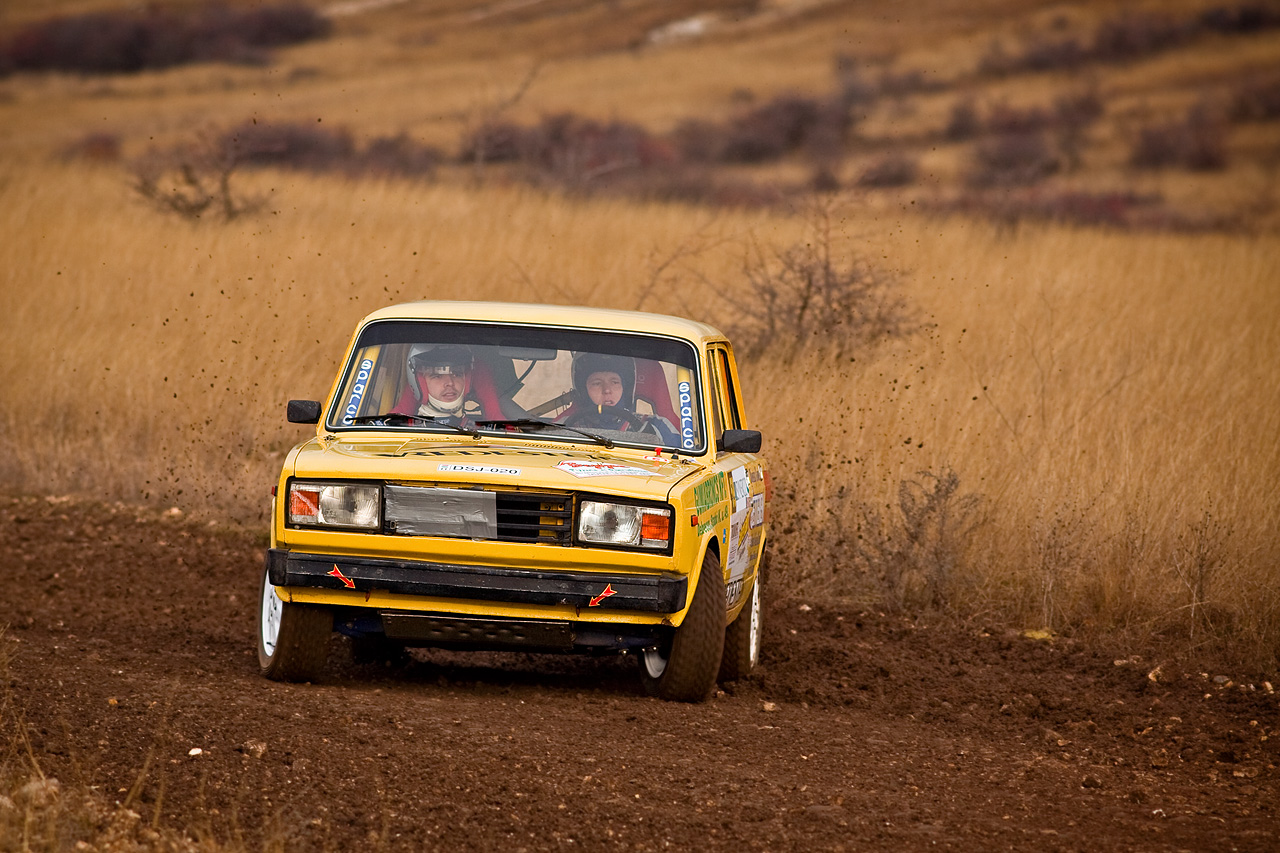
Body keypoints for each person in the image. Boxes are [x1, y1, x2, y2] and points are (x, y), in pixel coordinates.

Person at [563, 352, 678, 443]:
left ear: (625, 388)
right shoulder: (562, 426)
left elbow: (685, 464)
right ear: (584, 390)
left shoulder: (657, 427)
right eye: (597, 383)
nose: (607, 390)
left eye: (615, 382)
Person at [398, 344, 477, 421]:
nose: (450, 383)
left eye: (456, 374)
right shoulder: (397, 428)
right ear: (421, 384)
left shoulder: (482, 426)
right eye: (437, 376)